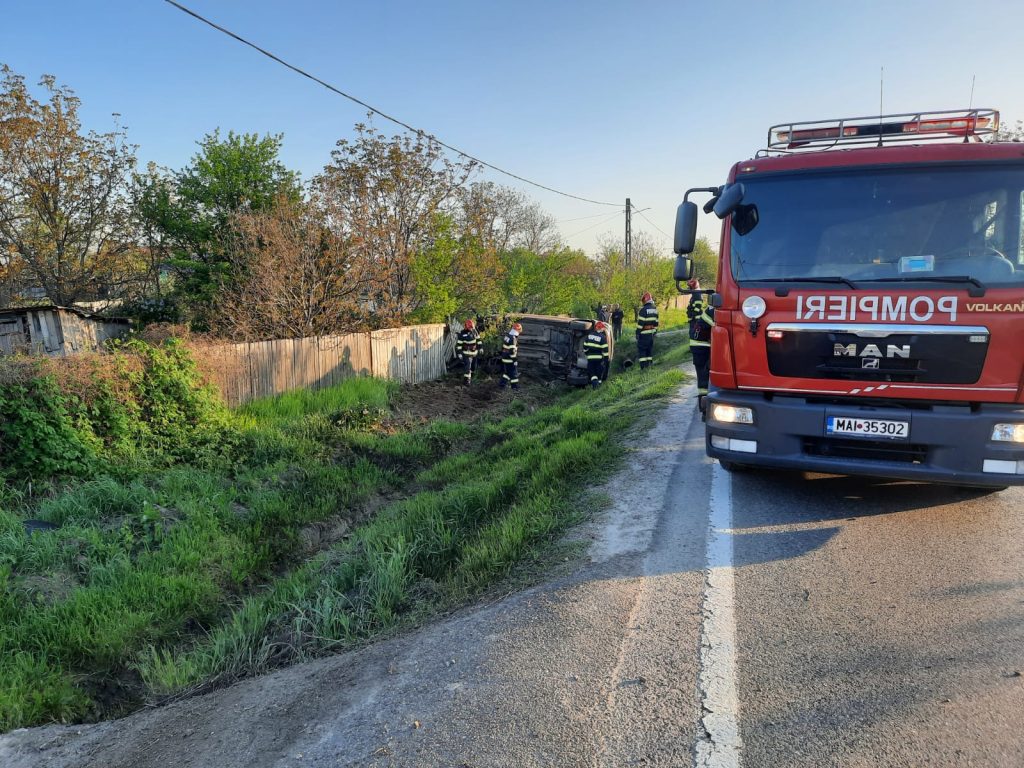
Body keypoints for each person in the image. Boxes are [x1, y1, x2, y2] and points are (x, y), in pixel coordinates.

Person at [686, 278, 715, 413]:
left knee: (704, 375)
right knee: (703, 377)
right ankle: (704, 408)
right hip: (701, 346)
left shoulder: (698, 297)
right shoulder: (713, 311)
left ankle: (704, 405)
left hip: (700, 344)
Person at [583, 320, 610, 389]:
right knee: (599, 372)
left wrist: (587, 353)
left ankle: (595, 384)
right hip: (599, 359)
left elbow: (585, 347)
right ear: (601, 329)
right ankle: (599, 385)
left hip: (590, 358)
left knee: (592, 372)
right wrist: (606, 359)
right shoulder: (602, 337)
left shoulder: (589, 336)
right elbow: (605, 350)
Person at [635, 291, 659, 369]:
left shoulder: (643, 310)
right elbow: (656, 323)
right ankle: (649, 366)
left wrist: (637, 333)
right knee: (649, 350)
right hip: (651, 334)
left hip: (643, 334)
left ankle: (643, 368)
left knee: (642, 351)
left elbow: (640, 324)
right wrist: (654, 332)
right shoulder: (655, 309)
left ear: (645, 300)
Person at [454, 318, 481, 386]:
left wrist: (480, 348)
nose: (471, 329)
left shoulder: (475, 331)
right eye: (470, 327)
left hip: (474, 354)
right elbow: (459, 345)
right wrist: (459, 353)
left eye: (472, 327)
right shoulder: (462, 334)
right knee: (467, 367)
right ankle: (467, 382)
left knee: (473, 367)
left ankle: (471, 378)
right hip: (466, 354)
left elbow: (478, 340)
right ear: (466, 326)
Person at [498, 322, 522, 391]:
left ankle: (501, 385)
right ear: (517, 330)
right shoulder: (513, 338)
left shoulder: (508, 336)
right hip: (510, 359)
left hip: (505, 357)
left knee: (507, 373)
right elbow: (512, 351)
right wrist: (515, 360)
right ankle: (515, 388)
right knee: (514, 374)